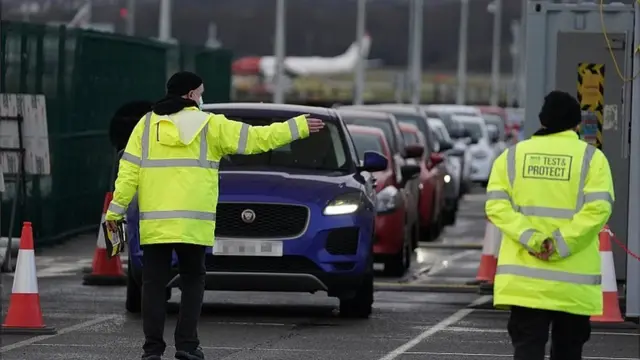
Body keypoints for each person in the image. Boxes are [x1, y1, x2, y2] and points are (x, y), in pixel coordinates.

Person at [104, 71, 325, 360]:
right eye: (201, 91)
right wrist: (297, 127)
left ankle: (152, 350)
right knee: (193, 281)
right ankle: (186, 346)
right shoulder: (211, 125)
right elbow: (258, 139)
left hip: (156, 223)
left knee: (153, 285)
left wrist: (115, 212)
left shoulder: (145, 125)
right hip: (194, 224)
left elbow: (128, 173)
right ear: (192, 95)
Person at [485, 90, 614, 360]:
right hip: (573, 283)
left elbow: (496, 206)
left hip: (525, 282)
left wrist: (534, 239)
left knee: (527, 349)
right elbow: (598, 209)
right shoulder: (593, 160)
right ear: (577, 124)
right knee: (568, 351)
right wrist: (558, 243)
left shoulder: (511, 158)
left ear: (542, 121)